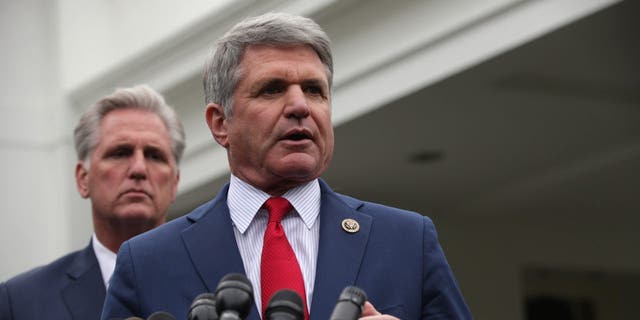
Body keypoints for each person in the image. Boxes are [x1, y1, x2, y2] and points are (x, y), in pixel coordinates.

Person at [102, 12, 471, 320]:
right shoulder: (147, 261)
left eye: (314, 90)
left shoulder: (407, 241)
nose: (300, 106)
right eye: (272, 89)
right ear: (220, 123)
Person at [0, 85, 185, 320]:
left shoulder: (216, 283)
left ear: (175, 182)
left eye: (154, 155)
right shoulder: (20, 303)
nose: (139, 169)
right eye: (120, 153)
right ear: (83, 178)